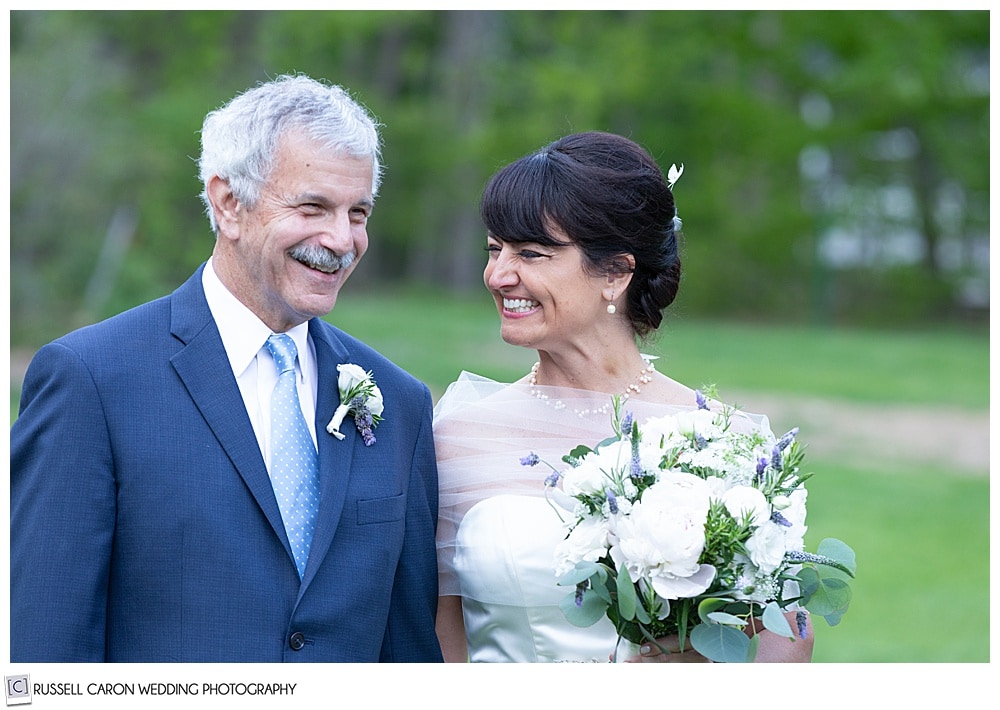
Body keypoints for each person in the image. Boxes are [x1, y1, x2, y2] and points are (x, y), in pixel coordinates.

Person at [10, 74, 443, 663]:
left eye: (358, 212)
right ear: (229, 203)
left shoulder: (398, 402)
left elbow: (408, 654)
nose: (342, 240)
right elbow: (46, 650)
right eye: (313, 206)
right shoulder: (90, 381)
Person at [433, 131, 814, 663]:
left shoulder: (724, 444)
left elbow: (787, 636)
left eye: (532, 253)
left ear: (615, 273)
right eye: (495, 250)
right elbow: (437, 632)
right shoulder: (457, 438)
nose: (498, 275)